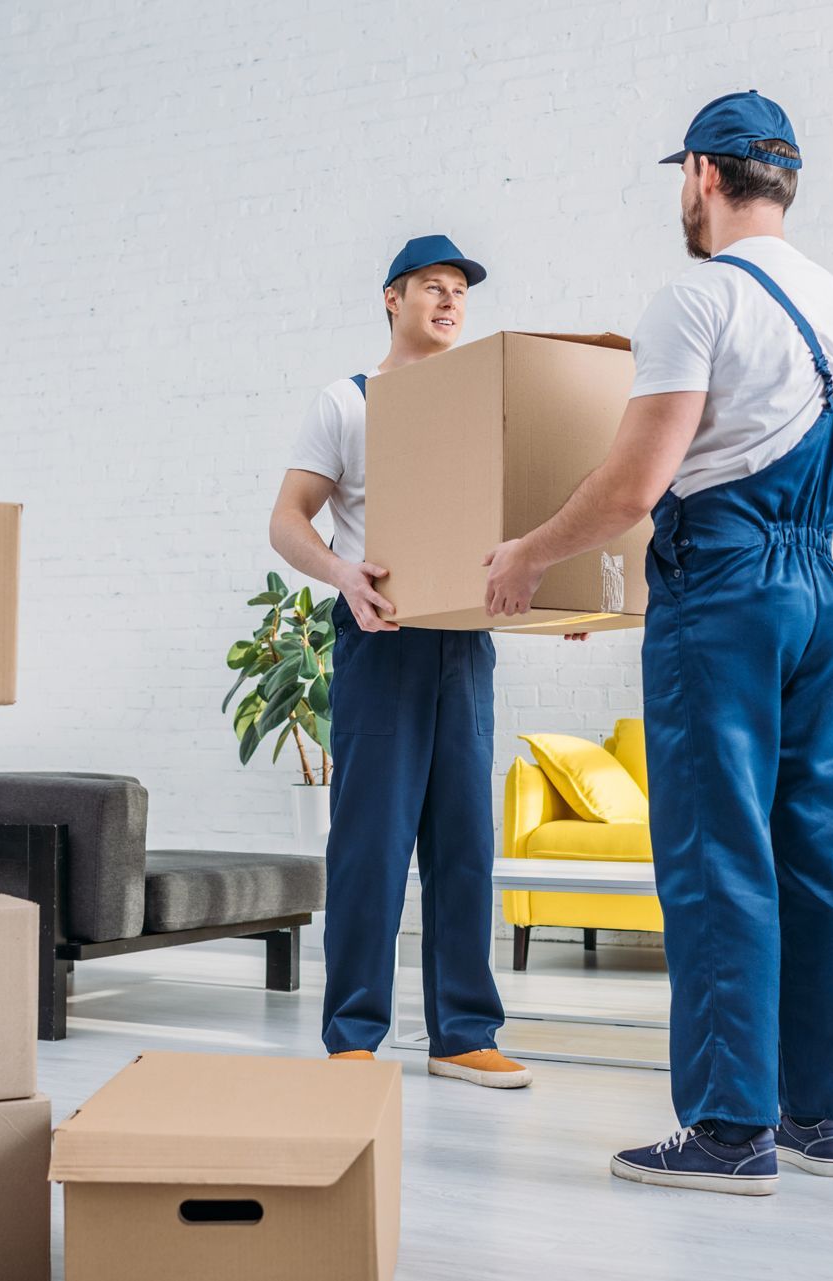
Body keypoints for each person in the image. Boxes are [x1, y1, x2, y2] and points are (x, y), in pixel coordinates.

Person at [482, 91, 833, 1190]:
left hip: (726, 594)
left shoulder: (698, 297)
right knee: (816, 845)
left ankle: (726, 1129)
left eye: (683, 178)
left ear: (704, 174)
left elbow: (633, 483)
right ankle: (818, 1117)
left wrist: (529, 557)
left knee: (716, 850)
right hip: (821, 591)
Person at [269, 235, 531, 1089]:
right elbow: (287, 519)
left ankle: (463, 1034)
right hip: (380, 638)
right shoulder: (347, 402)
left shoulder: (481, 406)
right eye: (432, 287)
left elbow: (514, 519)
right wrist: (341, 572)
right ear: (392, 298)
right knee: (371, 843)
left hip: (466, 639)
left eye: (460, 290)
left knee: (464, 841)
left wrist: (553, 592)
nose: (450, 301)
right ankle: (353, 1033)